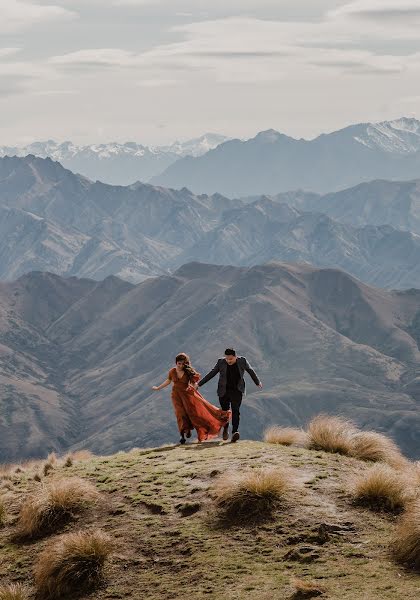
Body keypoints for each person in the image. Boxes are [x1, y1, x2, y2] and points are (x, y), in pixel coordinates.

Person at [152, 352, 231, 445]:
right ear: (176, 363)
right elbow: (168, 380)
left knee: (195, 415)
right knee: (180, 414)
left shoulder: (188, 372)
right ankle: (182, 435)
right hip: (176, 396)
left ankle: (201, 429)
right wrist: (158, 388)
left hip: (187, 395)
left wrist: (194, 388)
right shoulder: (172, 371)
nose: (181, 366)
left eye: (183, 364)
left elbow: (193, 384)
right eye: (179, 363)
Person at [195, 348, 262, 443]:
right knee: (225, 412)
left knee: (236, 410)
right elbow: (212, 373)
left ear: (235, 357)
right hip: (224, 391)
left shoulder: (242, 361)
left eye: (230, 359)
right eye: (227, 358)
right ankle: (225, 428)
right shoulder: (221, 362)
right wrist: (199, 384)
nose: (228, 361)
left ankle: (235, 432)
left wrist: (257, 382)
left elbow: (250, 370)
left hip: (237, 391)